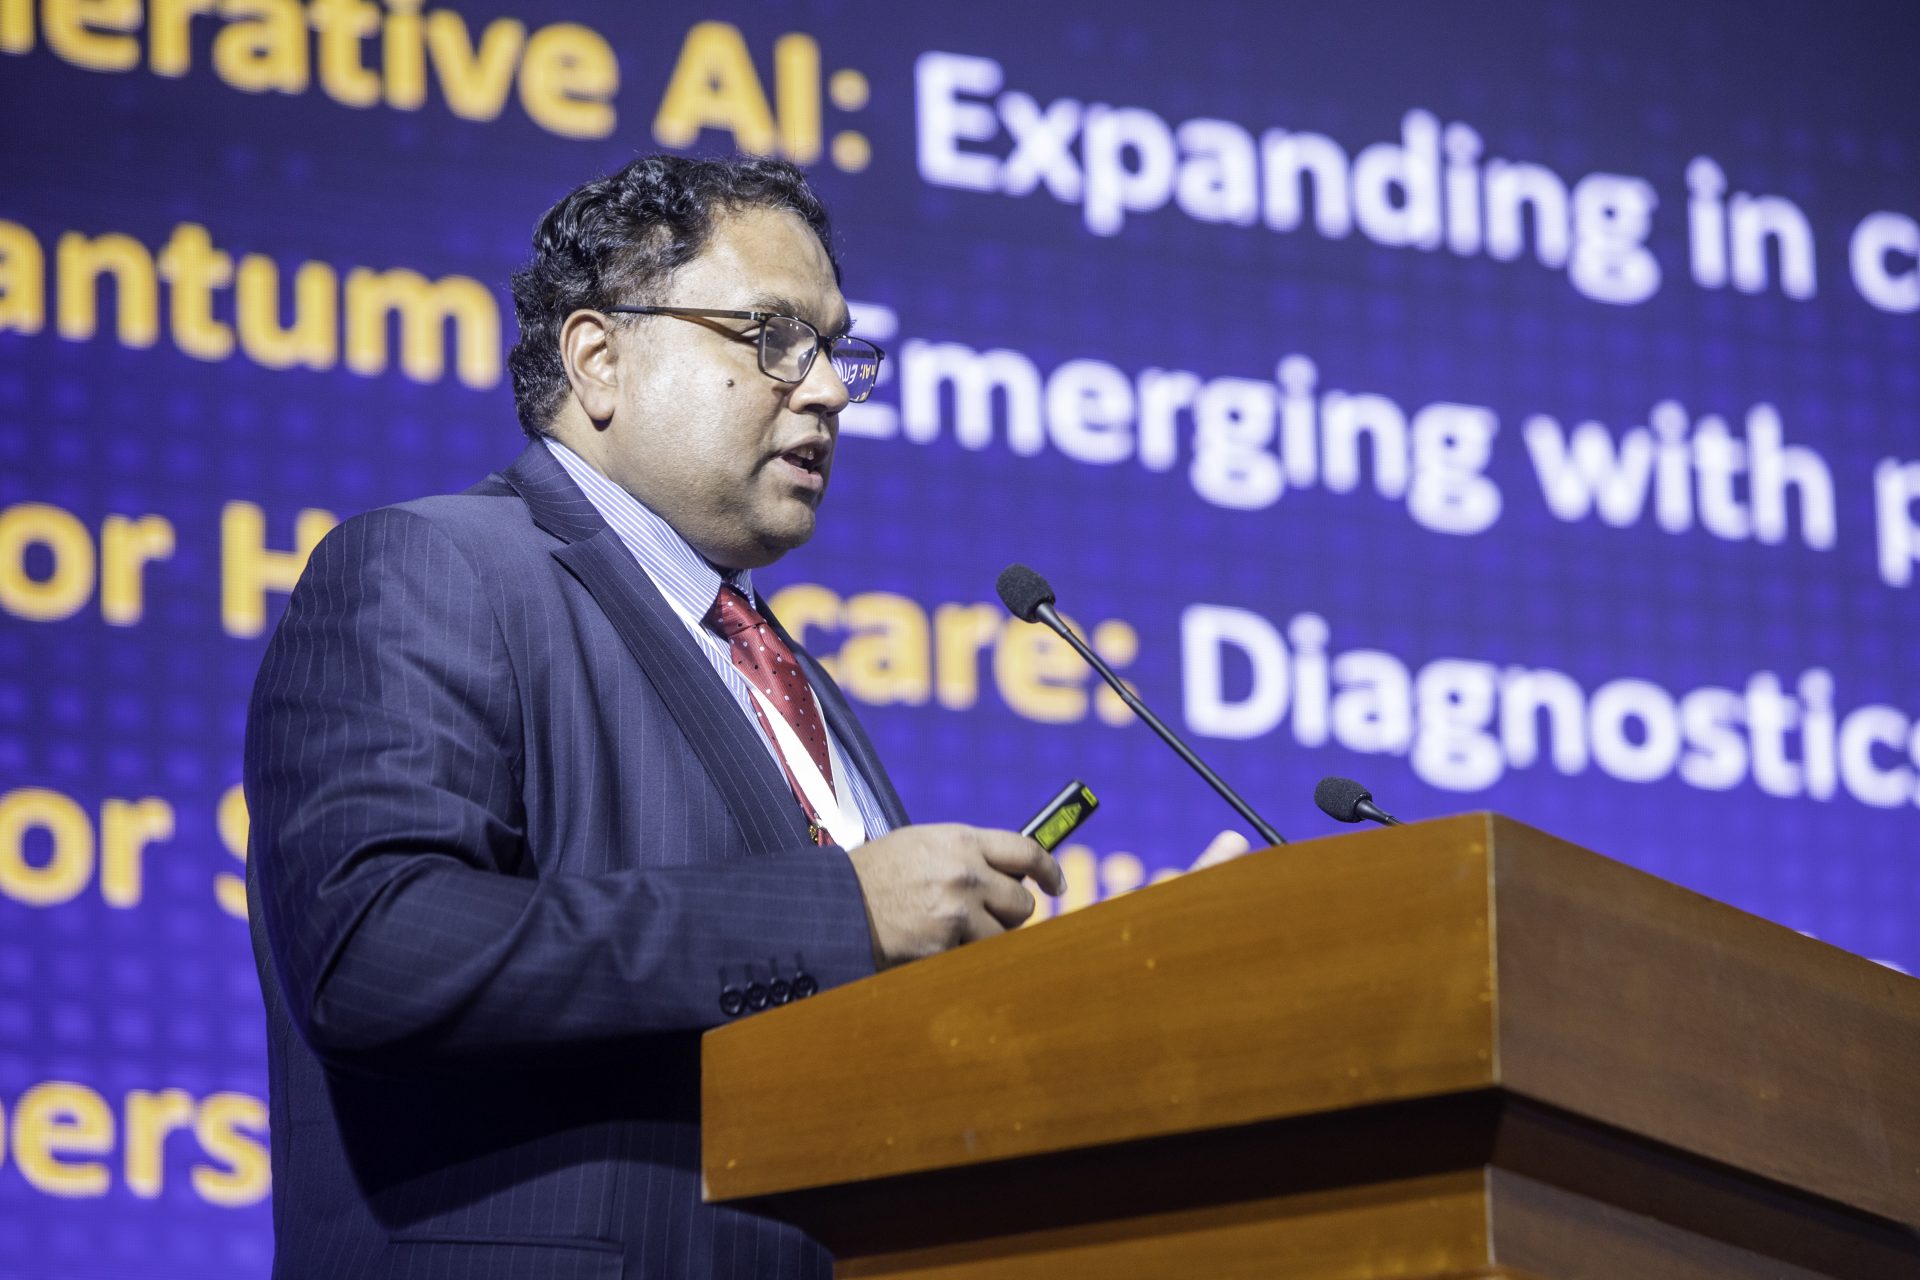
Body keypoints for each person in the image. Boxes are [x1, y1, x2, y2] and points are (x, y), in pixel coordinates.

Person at [244, 153, 1240, 1280]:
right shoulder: (438, 568)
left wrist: (1112, 983)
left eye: (833, 351)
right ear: (599, 356)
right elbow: (377, 947)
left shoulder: (795, 683)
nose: (821, 389)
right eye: (771, 336)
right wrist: (841, 909)